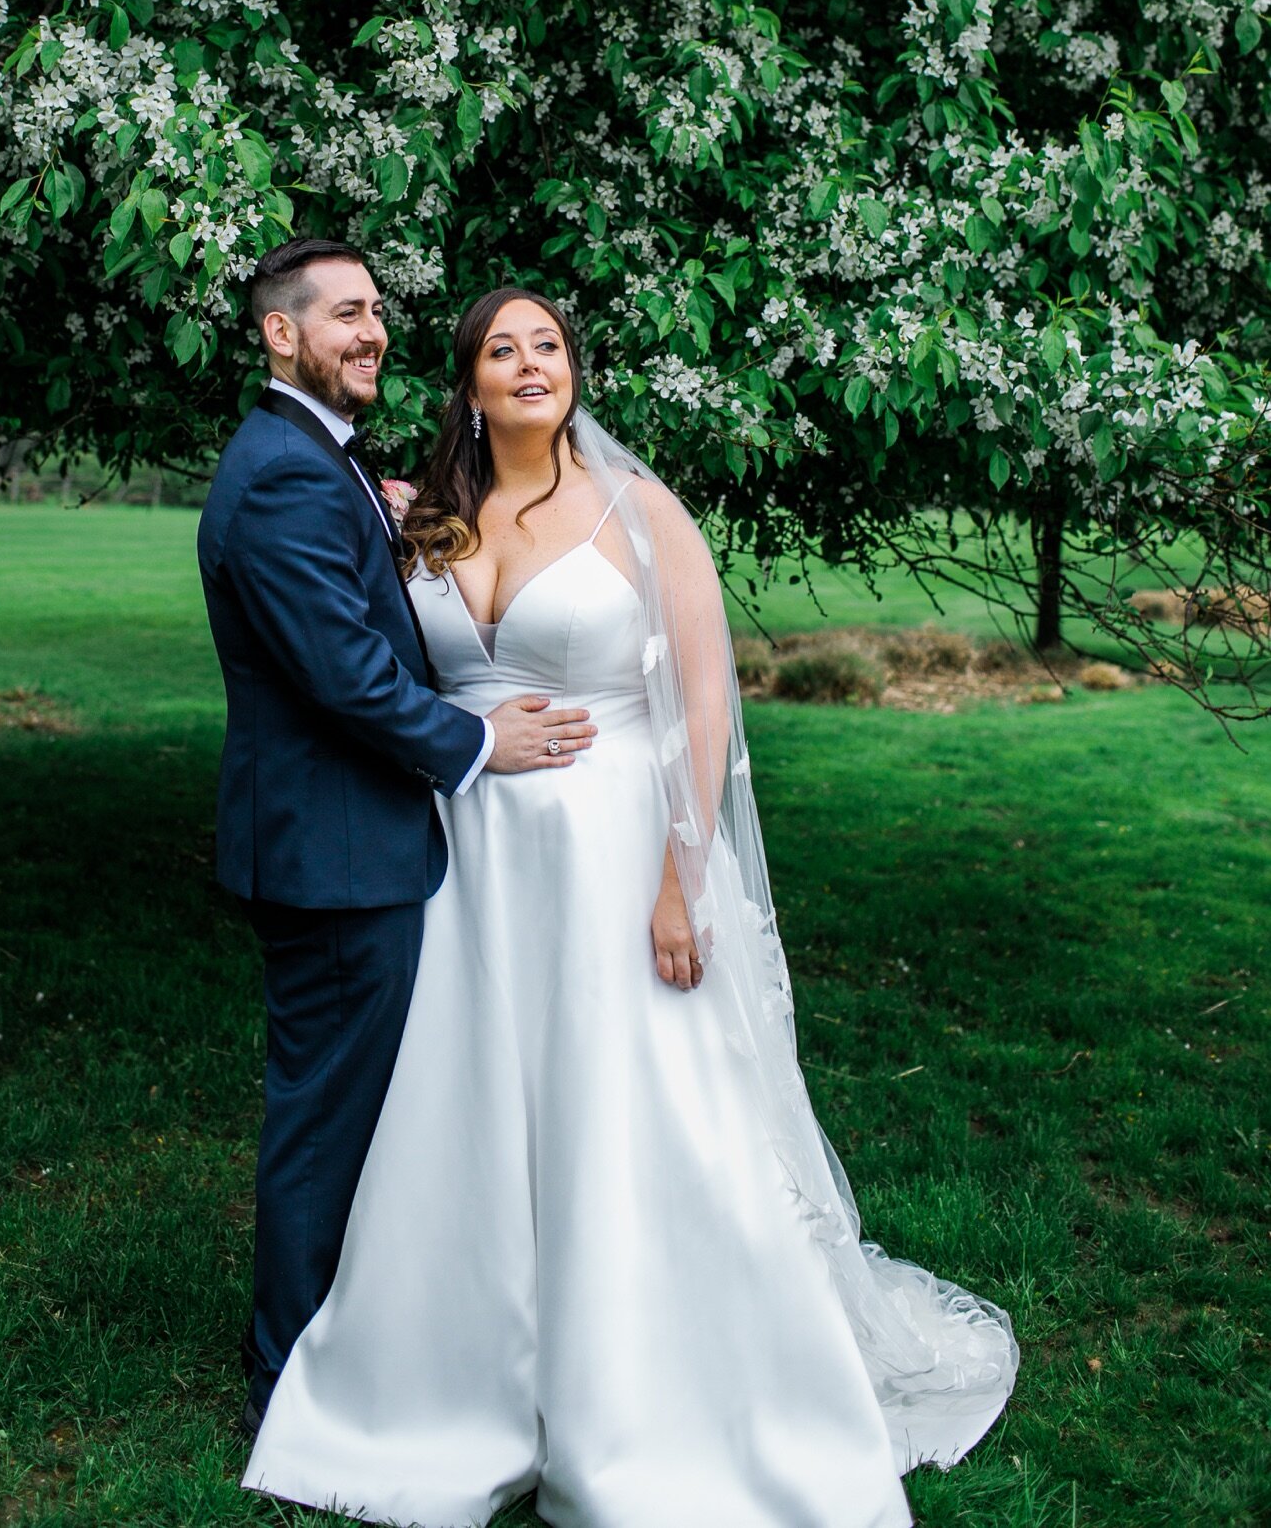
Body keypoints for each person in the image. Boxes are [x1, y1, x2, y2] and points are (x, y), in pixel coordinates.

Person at [243, 284, 1019, 1527]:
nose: (529, 363)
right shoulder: (433, 519)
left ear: (573, 372)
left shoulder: (639, 509)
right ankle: (459, 1377)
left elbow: (703, 709)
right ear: (473, 383)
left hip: (614, 861)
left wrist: (681, 876)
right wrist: (395, 515)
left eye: (548, 344)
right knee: (481, 1120)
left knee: (629, 1117)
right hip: (477, 874)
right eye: (502, 349)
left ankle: (652, 1388)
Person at [197, 244, 597, 1440]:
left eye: (378, 312)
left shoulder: (319, 463)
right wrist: (479, 745)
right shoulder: (281, 476)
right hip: (330, 852)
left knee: (359, 1114)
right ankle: (292, 1386)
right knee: (325, 1124)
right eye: (345, 315)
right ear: (281, 335)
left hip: (352, 842)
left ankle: (356, 1347)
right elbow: (347, 677)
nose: (372, 332)